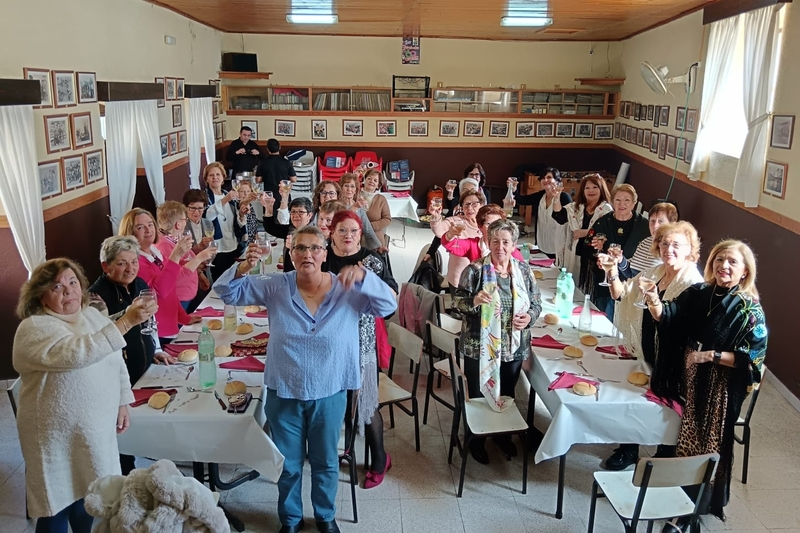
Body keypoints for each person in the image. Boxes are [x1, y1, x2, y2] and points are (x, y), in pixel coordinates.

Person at [213, 226, 397, 533]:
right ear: (291, 253)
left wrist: (366, 278)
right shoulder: (275, 286)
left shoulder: (348, 288)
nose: (307, 254)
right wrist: (243, 265)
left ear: (325, 254)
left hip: (331, 390)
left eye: (314, 248)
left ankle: (325, 517)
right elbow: (227, 292)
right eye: (300, 248)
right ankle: (291, 519)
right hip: (285, 389)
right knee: (288, 463)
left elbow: (388, 306)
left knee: (326, 462)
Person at [13, 258, 155, 533]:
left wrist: (123, 400)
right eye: (57, 286)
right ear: (40, 294)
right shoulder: (33, 328)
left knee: (89, 496)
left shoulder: (90, 314)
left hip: (93, 428)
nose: (68, 291)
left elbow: (114, 358)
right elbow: (77, 353)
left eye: (73, 282)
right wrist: (125, 322)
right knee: (57, 504)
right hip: (54, 436)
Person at [644, 239, 767, 522]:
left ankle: (695, 506)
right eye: (719, 260)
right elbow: (669, 317)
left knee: (707, 444)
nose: (724, 266)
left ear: (745, 271)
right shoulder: (700, 292)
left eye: (732, 262)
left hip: (719, 387)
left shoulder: (750, 310)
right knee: (684, 433)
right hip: (689, 374)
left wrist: (710, 356)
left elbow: (751, 358)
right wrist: (652, 298)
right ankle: (677, 491)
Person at [599, 221, 704, 471]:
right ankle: (628, 449)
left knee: (666, 408)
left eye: (676, 245)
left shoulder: (694, 282)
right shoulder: (655, 273)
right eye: (665, 243)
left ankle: (664, 457)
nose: (669, 249)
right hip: (646, 348)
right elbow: (621, 295)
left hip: (674, 357)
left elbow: (671, 320)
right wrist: (611, 271)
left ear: (690, 249)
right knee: (634, 399)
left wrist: (655, 301)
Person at [454, 219, 542, 464]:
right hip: (479, 347)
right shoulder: (475, 270)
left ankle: (502, 436)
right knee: (480, 395)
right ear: (487, 242)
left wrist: (529, 317)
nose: (500, 247)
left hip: (513, 347)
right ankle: (477, 439)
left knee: (507, 393)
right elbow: (457, 302)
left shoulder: (523, 271)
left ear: (514, 244)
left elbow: (536, 303)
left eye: (506, 242)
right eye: (495, 241)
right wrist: (474, 302)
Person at [89, 236, 179, 474]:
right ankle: (124, 481)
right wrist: (127, 315)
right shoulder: (95, 297)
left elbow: (152, 320)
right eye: (121, 263)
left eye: (134, 261)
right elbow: (99, 337)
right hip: (117, 377)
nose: (130, 268)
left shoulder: (140, 284)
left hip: (145, 368)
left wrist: (157, 349)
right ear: (105, 266)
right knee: (123, 435)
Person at [324, 210, 398, 489]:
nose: (349, 236)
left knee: (366, 405)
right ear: (331, 232)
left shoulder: (371, 260)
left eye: (354, 231)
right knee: (337, 401)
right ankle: (343, 449)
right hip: (328, 342)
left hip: (361, 341)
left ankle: (380, 458)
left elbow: (390, 295)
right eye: (342, 230)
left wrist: (363, 276)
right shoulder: (322, 256)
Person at [118, 208, 200, 343]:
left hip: (171, 324)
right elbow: (160, 291)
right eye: (140, 227)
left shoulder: (154, 252)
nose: (148, 230)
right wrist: (176, 256)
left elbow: (171, 290)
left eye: (150, 224)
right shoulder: (134, 261)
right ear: (130, 232)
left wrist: (184, 317)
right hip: (156, 331)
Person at [584, 184, 649, 319]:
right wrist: (598, 248)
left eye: (627, 200)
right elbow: (586, 247)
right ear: (612, 202)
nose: (622, 204)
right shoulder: (602, 223)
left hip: (632, 283)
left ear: (634, 203)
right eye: (618, 200)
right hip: (605, 282)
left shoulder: (644, 226)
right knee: (605, 319)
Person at [155, 201, 216, 311]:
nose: (186, 222)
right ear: (178, 224)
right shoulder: (163, 245)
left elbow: (185, 262)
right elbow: (175, 276)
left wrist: (199, 273)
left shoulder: (173, 240)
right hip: (179, 300)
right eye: (185, 220)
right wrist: (201, 257)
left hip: (187, 296)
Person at [551, 173, 613, 281]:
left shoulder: (606, 209)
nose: (591, 191)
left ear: (601, 189)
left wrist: (585, 232)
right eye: (587, 188)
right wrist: (556, 198)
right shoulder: (577, 207)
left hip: (593, 256)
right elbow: (560, 217)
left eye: (595, 187)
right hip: (576, 252)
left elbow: (607, 232)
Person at [430, 189, 487, 296]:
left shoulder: (487, 224)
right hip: (459, 279)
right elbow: (439, 231)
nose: (470, 208)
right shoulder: (456, 221)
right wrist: (436, 217)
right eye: (466, 205)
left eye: (475, 204)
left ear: (482, 205)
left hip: (484, 278)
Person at [511, 167, 573, 259]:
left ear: (557, 180)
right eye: (543, 178)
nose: (545, 180)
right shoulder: (541, 195)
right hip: (542, 242)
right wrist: (514, 188)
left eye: (549, 177)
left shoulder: (564, 197)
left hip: (559, 244)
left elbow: (569, 219)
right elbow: (522, 200)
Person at [203, 162, 248, 280]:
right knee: (219, 279)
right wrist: (225, 199)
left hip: (233, 243)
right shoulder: (204, 197)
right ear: (206, 179)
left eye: (218, 174)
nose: (215, 177)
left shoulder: (228, 195)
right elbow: (208, 215)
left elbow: (237, 220)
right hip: (217, 247)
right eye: (211, 175)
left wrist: (242, 215)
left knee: (234, 277)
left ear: (223, 177)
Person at [441, 204, 525, 262]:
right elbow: (450, 244)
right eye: (489, 224)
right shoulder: (473, 245)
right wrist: (450, 234)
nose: (494, 227)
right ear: (480, 226)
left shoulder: (509, 248)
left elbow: (522, 273)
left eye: (497, 223)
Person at [617, 202, 678, 278]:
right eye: (652, 221)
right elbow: (631, 274)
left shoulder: (672, 249)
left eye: (660, 221)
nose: (655, 226)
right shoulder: (646, 242)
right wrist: (620, 259)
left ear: (672, 224)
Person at [262, 196, 314, 272]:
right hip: (288, 276)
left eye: (300, 212)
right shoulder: (290, 230)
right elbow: (270, 227)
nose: (296, 215)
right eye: (293, 212)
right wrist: (268, 208)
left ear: (309, 215)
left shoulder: (314, 234)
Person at [361, 169, 392, 247]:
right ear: (364, 180)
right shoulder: (354, 194)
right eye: (369, 178)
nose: (372, 181)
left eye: (375, 180)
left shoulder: (381, 199)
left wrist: (370, 226)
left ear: (378, 185)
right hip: (354, 231)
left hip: (374, 232)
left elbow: (387, 219)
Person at [235, 179, 261, 244]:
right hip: (242, 244)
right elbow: (242, 204)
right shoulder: (237, 206)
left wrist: (257, 238)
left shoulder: (251, 206)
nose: (246, 194)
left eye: (248, 191)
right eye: (242, 191)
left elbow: (254, 226)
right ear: (237, 193)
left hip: (252, 243)